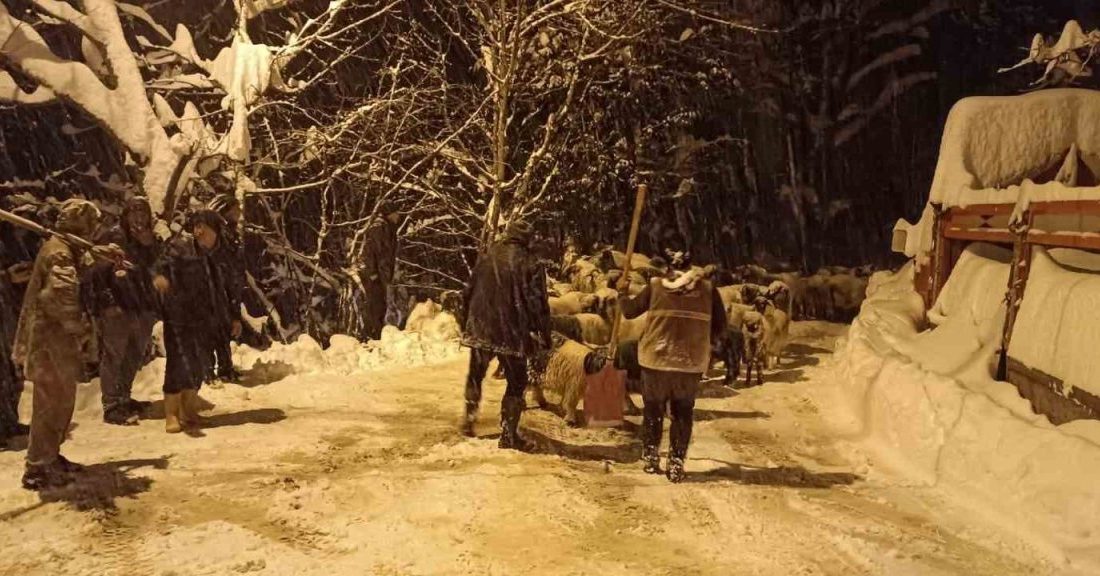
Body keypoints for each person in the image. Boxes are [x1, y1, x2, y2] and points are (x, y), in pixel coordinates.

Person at [13, 199, 114, 489]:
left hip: (57, 342)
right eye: (92, 224)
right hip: (50, 341)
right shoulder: (59, 252)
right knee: (50, 402)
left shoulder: (67, 248)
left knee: (61, 400)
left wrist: (99, 257)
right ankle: (37, 467)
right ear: (80, 222)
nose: (96, 230)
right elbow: (60, 293)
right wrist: (79, 327)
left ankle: (50, 455)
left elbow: (80, 273)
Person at [618, 250, 726, 483]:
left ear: (667, 267)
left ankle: (650, 456)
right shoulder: (708, 290)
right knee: (682, 413)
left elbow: (628, 312)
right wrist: (701, 341)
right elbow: (720, 326)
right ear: (692, 267)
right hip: (689, 363)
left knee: (653, 409)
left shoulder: (656, 286)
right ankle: (676, 462)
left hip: (655, 360)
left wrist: (622, 292)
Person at [460, 220, 551, 450]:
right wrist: (543, 332)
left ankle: (469, 418)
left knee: (476, 373)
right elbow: (537, 303)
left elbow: (468, 291)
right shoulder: (531, 263)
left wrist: (467, 321)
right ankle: (509, 434)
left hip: (481, 326)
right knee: (517, 380)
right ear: (528, 239)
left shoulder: (488, 257)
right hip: (511, 330)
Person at [155, 210, 239, 433]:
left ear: (215, 229)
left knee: (199, 364)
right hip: (179, 316)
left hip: (207, 317)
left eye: (204, 226)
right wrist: (160, 277)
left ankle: (189, 412)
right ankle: (171, 415)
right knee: (178, 364)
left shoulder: (222, 253)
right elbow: (160, 265)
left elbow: (231, 286)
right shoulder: (181, 246)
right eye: (196, 226)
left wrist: (234, 316)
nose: (198, 231)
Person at [87, 197, 161, 425]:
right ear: (126, 215)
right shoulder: (112, 237)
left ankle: (124, 397)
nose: (139, 218)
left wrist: (150, 245)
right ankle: (111, 405)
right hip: (118, 307)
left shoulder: (151, 239)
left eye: (143, 213)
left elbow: (157, 268)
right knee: (114, 356)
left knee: (133, 355)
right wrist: (108, 303)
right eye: (134, 212)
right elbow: (97, 275)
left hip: (142, 306)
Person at [207, 194, 245, 382]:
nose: (239, 212)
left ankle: (225, 368)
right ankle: (208, 371)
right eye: (235, 208)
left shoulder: (230, 233)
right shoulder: (215, 233)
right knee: (212, 329)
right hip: (214, 288)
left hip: (227, 286)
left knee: (223, 328)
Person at [359, 208, 400, 341]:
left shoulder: (387, 227)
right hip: (375, 276)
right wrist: (373, 273)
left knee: (380, 305)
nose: (398, 217)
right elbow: (372, 251)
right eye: (396, 213)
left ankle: (377, 334)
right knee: (376, 306)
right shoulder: (379, 227)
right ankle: (373, 336)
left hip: (381, 274)